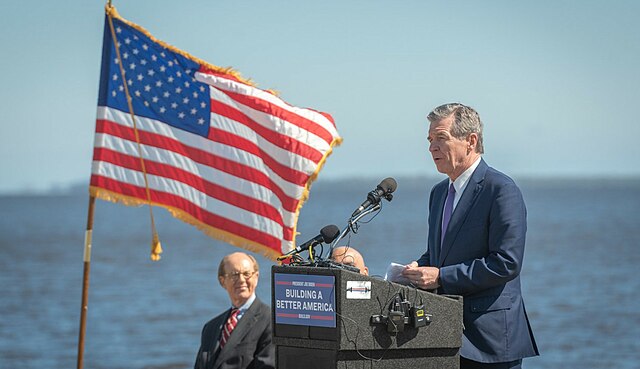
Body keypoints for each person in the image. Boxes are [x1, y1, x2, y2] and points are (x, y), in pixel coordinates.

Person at [402, 103, 538, 369]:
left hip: (489, 340)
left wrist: (441, 277)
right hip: (444, 334)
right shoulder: (438, 193)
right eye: (430, 140)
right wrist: (418, 267)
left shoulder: (501, 190)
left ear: (470, 141)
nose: (432, 147)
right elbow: (439, 252)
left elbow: (506, 263)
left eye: (441, 138)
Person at [194, 252, 275, 369]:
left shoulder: (270, 321)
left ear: (256, 277)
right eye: (234, 275)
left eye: (247, 274)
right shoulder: (210, 328)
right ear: (222, 281)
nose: (241, 280)